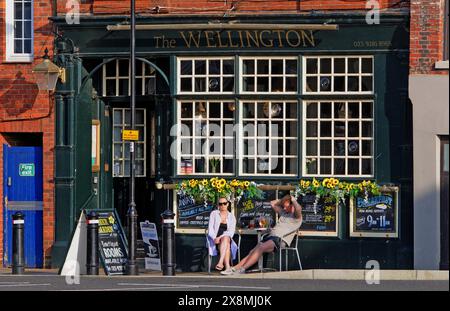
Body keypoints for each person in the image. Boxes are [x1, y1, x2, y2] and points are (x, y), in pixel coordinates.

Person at [227, 194, 302, 275]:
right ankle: (235, 268)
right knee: (253, 250)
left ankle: (242, 269)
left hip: (280, 239)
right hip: (271, 237)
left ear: (292, 205)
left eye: (286, 206)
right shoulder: (284, 213)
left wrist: (293, 200)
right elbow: (272, 203)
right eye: (283, 206)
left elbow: (298, 209)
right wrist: (284, 200)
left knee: (261, 247)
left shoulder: (297, 217)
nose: (283, 208)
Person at [206, 197, 238, 274]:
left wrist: (220, 237)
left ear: (227, 204)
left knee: (226, 238)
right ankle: (227, 267)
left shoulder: (231, 217)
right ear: (218, 205)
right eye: (220, 204)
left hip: (225, 239)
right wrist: (214, 238)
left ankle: (220, 262)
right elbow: (210, 229)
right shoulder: (214, 214)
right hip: (215, 241)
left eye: (224, 203)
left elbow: (231, 232)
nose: (222, 205)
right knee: (226, 244)